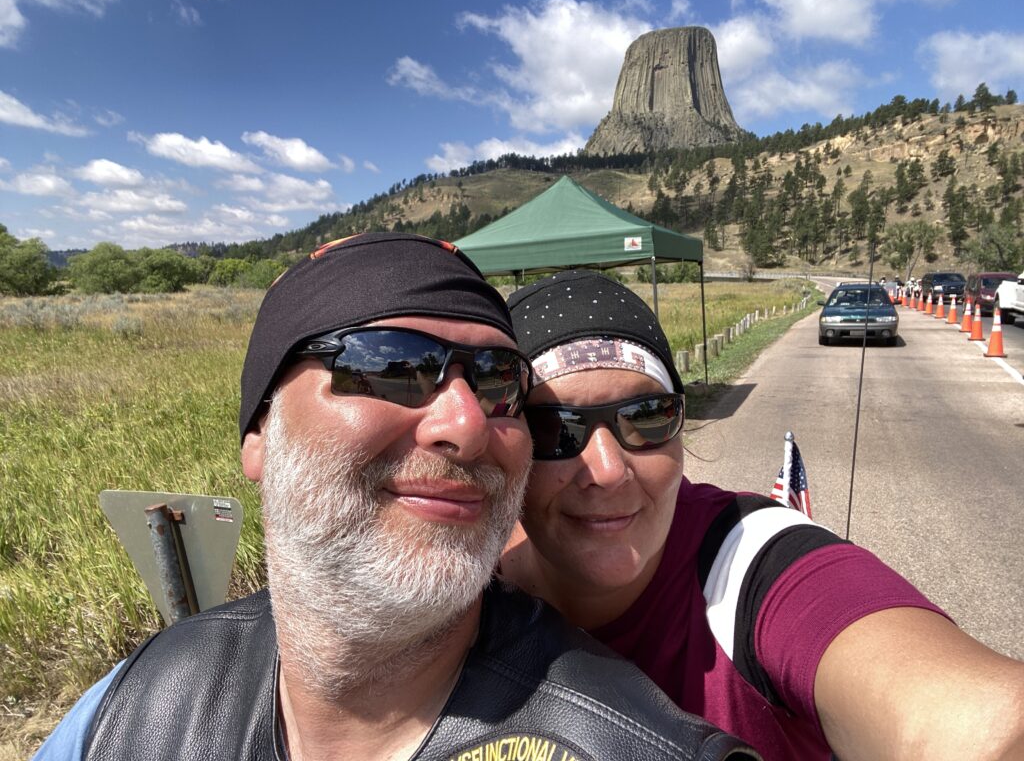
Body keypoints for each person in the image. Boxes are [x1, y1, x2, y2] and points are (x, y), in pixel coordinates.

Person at [33, 235, 758, 761]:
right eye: (391, 364)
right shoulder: (134, 707)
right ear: (259, 431)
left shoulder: (633, 743)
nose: (469, 424)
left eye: (500, 382)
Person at [501, 269, 1024, 761]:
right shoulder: (464, 589)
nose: (609, 470)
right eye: (556, 429)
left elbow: (978, 724)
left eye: (647, 416)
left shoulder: (753, 562)